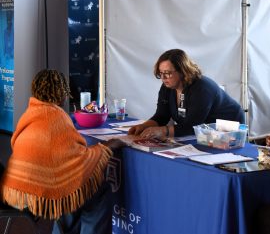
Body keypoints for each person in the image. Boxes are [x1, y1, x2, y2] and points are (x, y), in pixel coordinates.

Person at [0, 69, 125, 233]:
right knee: (95, 189)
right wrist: (108, 147)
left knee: (70, 186)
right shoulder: (55, 116)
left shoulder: (29, 113)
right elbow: (79, 159)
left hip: (17, 189)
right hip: (36, 195)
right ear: (62, 93)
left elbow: (65, 160)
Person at [128, 49, 245, 138]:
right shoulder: (167, 86)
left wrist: (162, 131)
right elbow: (161, 116)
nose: (163, 78)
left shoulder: (202, 88)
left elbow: (192, 126)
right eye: (160, 73)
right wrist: (143, 126)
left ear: (183, 71)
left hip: (228, 128)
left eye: (168, 73)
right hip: (206, 132)